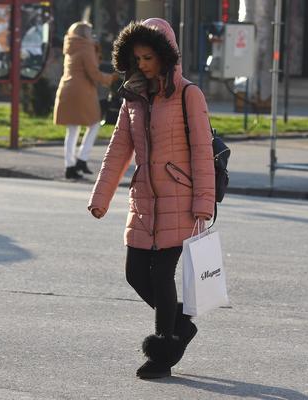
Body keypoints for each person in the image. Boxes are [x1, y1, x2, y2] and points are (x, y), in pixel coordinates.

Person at [87, 18, 216, 379]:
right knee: (134, 274)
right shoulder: (133, 96)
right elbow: (118, 150)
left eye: (147, 57)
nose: (142, 64)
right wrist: (102, 196)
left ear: (164, 56)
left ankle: (163, 353)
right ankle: (181, 326)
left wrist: (203, 203)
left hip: (182, 198)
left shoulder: (189, 94)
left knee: (161, 275)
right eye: (136, 58)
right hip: (144, 198)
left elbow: (202, 151)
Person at [53, 21, 118, 180]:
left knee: (72, 130)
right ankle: (82, 159)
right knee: (95, 123)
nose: (93, 34)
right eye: (90, 32)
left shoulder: (71, 45)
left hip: (67, 89)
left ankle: (70, 166)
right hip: (82, 91)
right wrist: (111, 79)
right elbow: (93, 73)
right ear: (84, 34)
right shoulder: (86, 47)